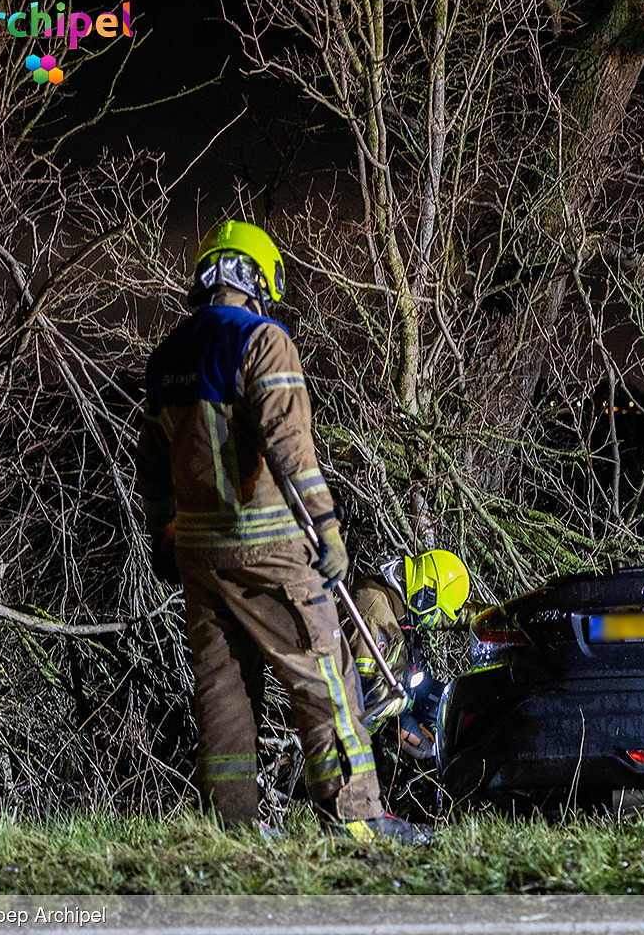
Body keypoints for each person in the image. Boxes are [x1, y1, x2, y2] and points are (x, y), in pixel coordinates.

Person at [135, 219, 426, 844]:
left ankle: (234, 825)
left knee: (222, 689)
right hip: (270, 548)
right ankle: (356, 818)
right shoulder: (263, 340)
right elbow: (291, 449)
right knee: (325, 676)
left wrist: (164, 537)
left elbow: (152, 470)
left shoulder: (166, 359)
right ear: (259, 279)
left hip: (198, 555)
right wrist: (328, 529)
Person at [348, 550, 470, 758]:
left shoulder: (398, 599)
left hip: (365, 731)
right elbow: (365, 694)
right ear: (427, 595)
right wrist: (404, 708)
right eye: (433, 610)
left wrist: (496, 615)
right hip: (342, 736)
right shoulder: (374, 616)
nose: (431, 618)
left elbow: (444, 616)